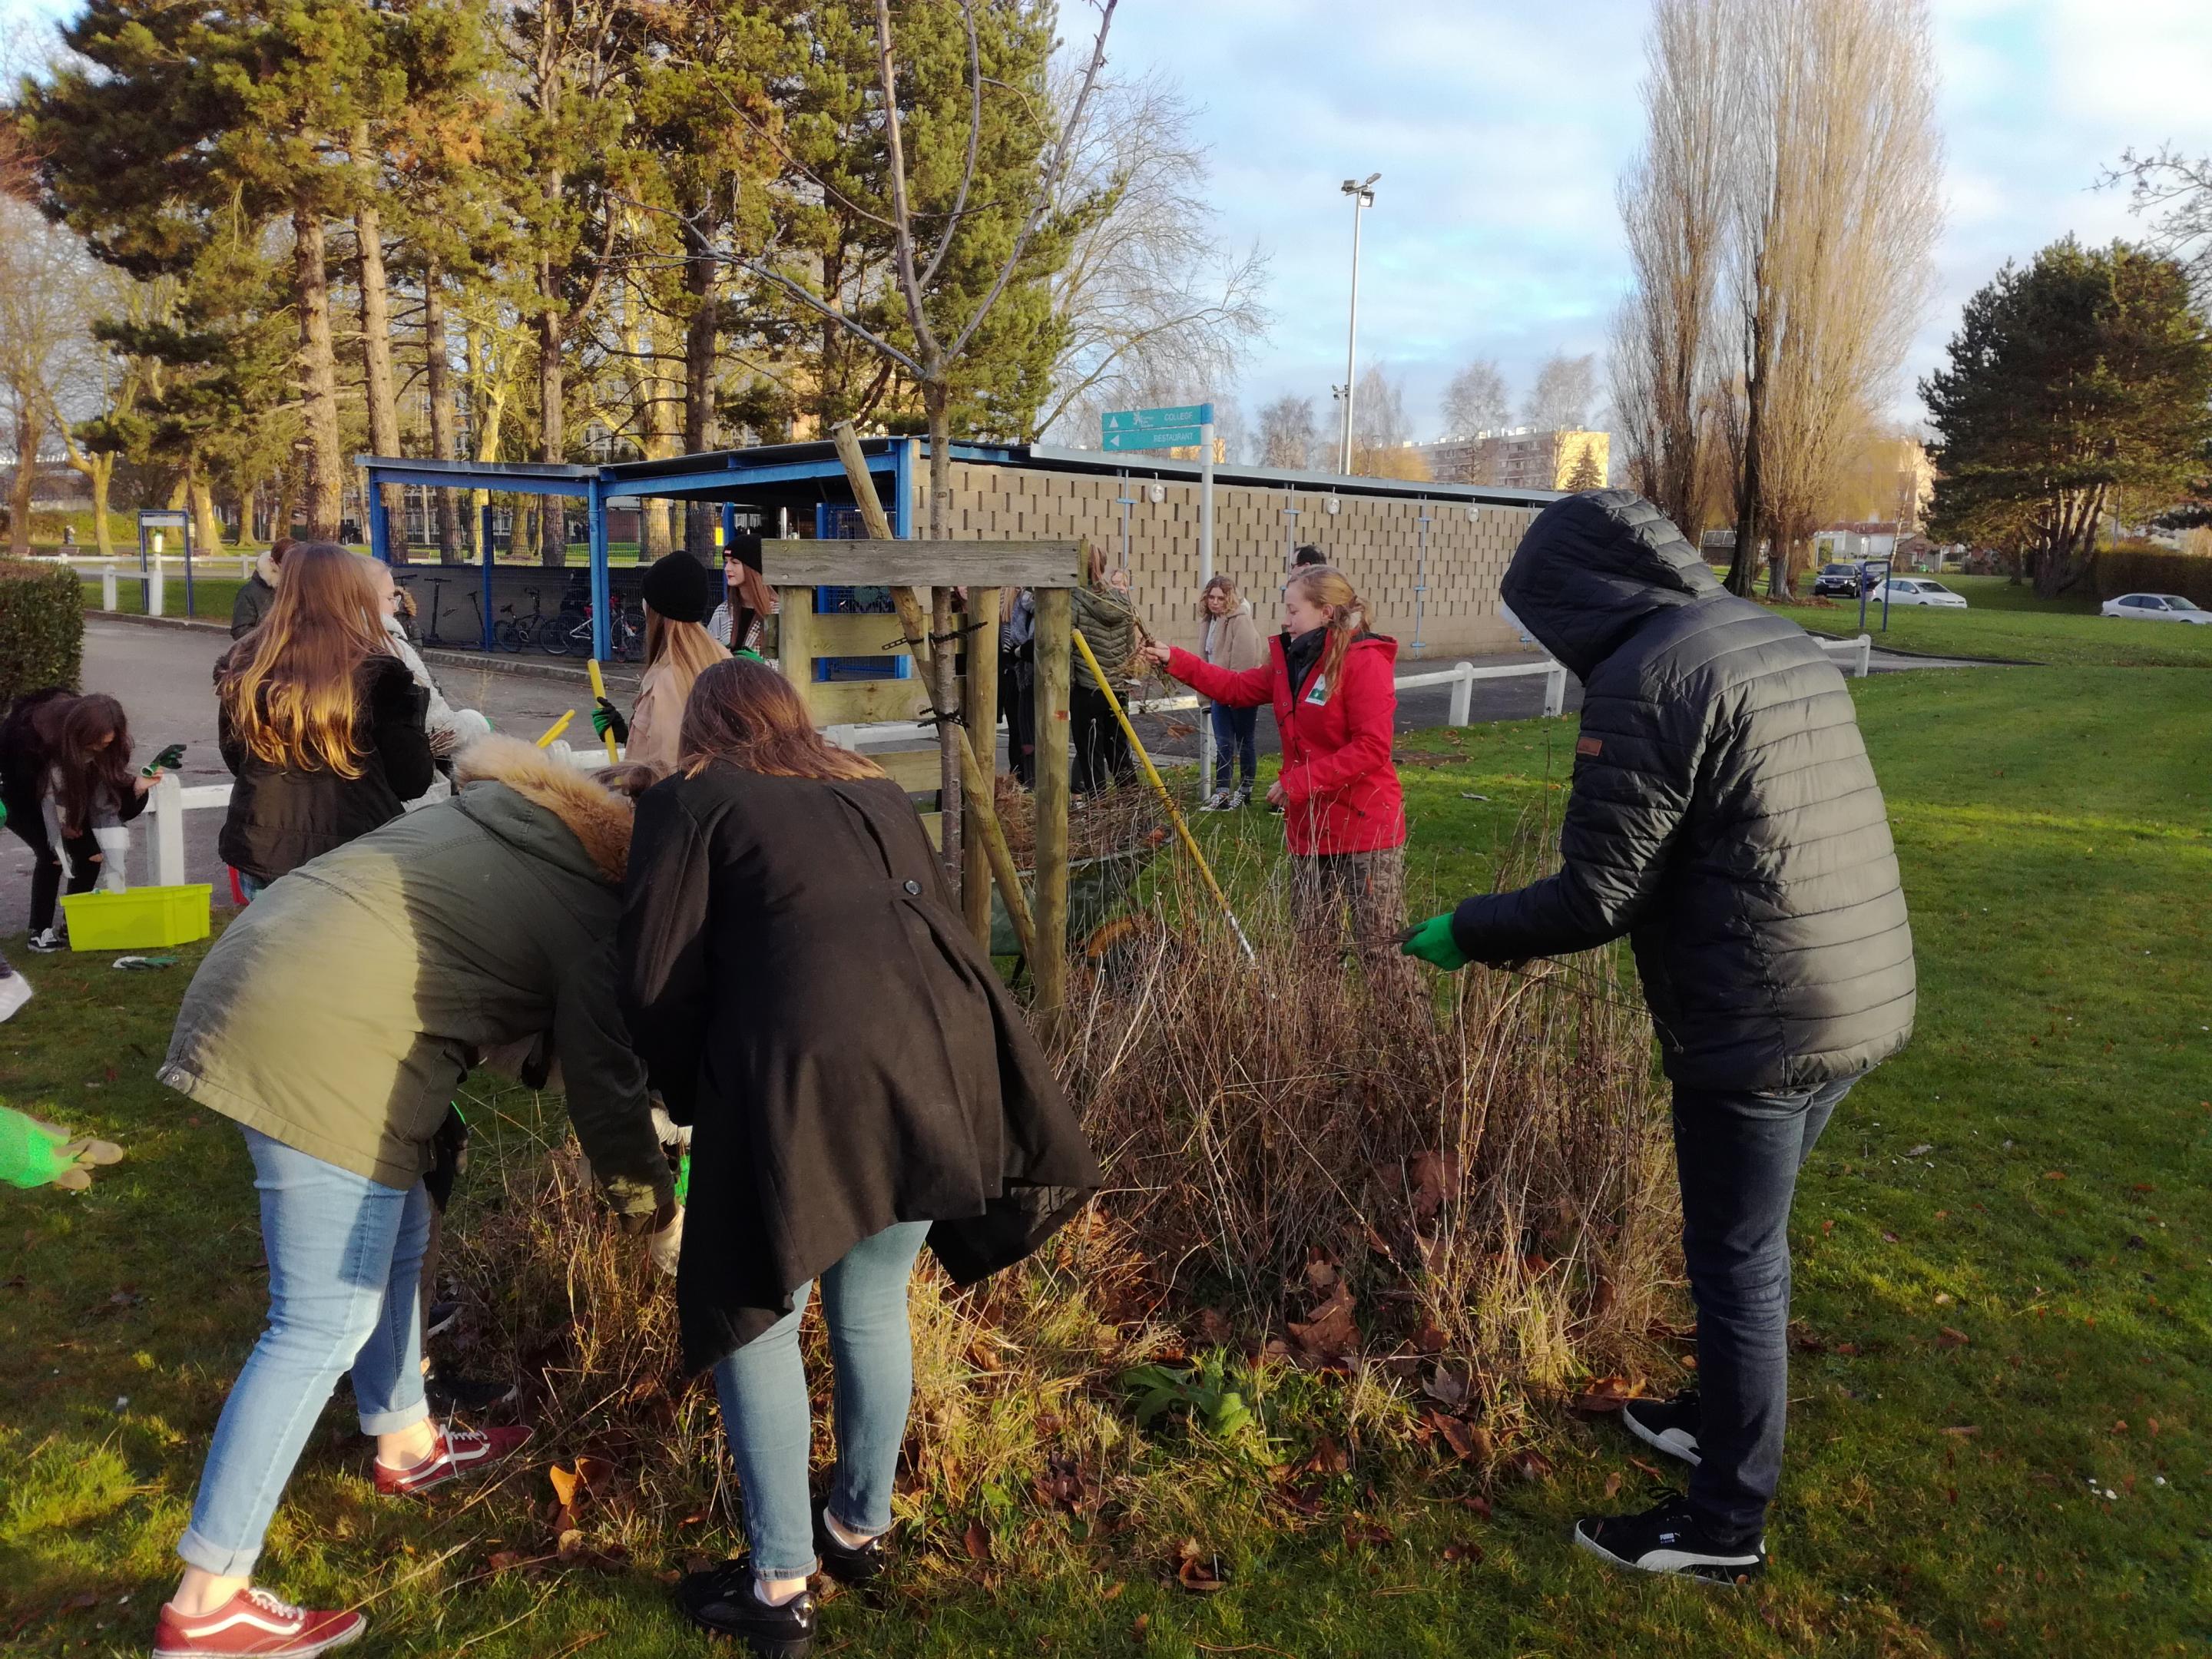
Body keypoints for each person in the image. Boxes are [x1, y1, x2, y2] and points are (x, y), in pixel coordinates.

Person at [1399, 490, 1915, 1584]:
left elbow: (1599, 894)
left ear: (1577, 595)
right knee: (1747, 1251)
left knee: (1738, 1266)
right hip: (1859, 986)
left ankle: (1724, 1524)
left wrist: (1467, 930)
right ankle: (1715, 1421)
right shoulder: (1761, 635)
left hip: (1761, 1017)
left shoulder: (1649, 675)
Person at [153, 735, 677, 1658]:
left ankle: (405, 1438)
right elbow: (603, 1087)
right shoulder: (599, 907)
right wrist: (654, 1220)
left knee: (404, 1229)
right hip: (326, 1038)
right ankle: (210, 1599)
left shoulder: (507, 820)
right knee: (319, 1321)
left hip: (266, 969)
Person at [619, 660, 1102, 1658]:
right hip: (938, 1065)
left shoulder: (696, 800)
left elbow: (655, 976)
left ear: (707, 728)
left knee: (757, 1315)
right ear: (793, 718)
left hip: (802, 1081)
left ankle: (780, 1582)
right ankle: (859, 1526)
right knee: (873, 1303)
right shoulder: (869, 788)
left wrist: (679, 1092)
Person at [1141, 565, 1412, 995]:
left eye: (1292, 610)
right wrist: (1175, 658)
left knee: (1379, 947)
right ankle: (1320, 1034)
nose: (1285, 620)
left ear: (1325, 612)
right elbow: (1233, 688)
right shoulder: (1292, 664)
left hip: (1364, 828)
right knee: (1312, 945)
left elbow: (1372, 748)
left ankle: (1404, 1038)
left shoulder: (1364, 662)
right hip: (1309, 828)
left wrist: (1297, 782)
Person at [215, 543, 435, 898]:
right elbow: (411, 778)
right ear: (352, 593)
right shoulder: (379, 671)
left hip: (264, 847)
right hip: (356, 850)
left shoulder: (246, 667)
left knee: (269, 952)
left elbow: (235, 758)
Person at [0, 690, 167, 950]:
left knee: (91, 855)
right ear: (79, 734)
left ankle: (75, 921)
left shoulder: (102, 743)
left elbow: (112, 803)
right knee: (53, 854)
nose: (101, 750)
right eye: (95, 745)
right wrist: (63, 824)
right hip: (20, 796)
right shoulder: (28, 738)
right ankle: (39, 931)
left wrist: (138, 788)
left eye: (107, 745)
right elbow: (25, 792)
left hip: (71, 801)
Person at [592, 551, 729, 772]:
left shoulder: (669, 679)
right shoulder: (720, 657)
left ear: (656, 610)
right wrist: (628, 735)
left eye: (646, 600)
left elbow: (666, 769)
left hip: (670, 804)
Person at [1070, 546, 1138, 794]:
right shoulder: (1122, 602)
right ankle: (1132, 806)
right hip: (1117, 688)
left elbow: (1067, 650)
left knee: (1090, 754)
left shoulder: (1075, 601)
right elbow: (1131, 647)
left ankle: (1098, 808)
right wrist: (1126, 677)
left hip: (1087, 688)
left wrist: (1069, 683)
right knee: (1120, 751)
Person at [1195, 575, 1263, 810]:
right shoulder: (1208, 621)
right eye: (1211, 597)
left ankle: (1245, 791)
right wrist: (1206, 694)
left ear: (1230, 598)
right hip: (1218, 690)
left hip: (1238, 690)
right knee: (1223, 742)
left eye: (1220, 598)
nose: (1215, 602)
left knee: (1245, 741)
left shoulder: (1240, 619)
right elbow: (1206, 658)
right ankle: (1222, 792)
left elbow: (1244, 658)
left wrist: (1235, 692)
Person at [706, 533, 778, 658]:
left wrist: (758, 665)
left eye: (734, 562)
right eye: (726, 562)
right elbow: (707, 657)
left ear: (753, 569)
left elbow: (791, 664)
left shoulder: (778, 612)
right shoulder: (722, 611)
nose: (727, 568)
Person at [999, 588, 1036, 788]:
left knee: (1031, 737)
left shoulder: (1032, 609)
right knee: (1022, 736)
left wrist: (1019, 652)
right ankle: (1025, 782)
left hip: (1033, 677)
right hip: (1018, 677)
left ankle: (1030, 782)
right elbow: (1010, 652)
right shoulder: (1017, 609)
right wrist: (1020, 652)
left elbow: (1036, 647)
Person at [230, 536, 294, 639]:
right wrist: (274, 638)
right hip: (265, 652)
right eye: (287, 564)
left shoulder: (302, 589)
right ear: (273, 562)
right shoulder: (249, 593)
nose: (292, 570)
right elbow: (240, 630)